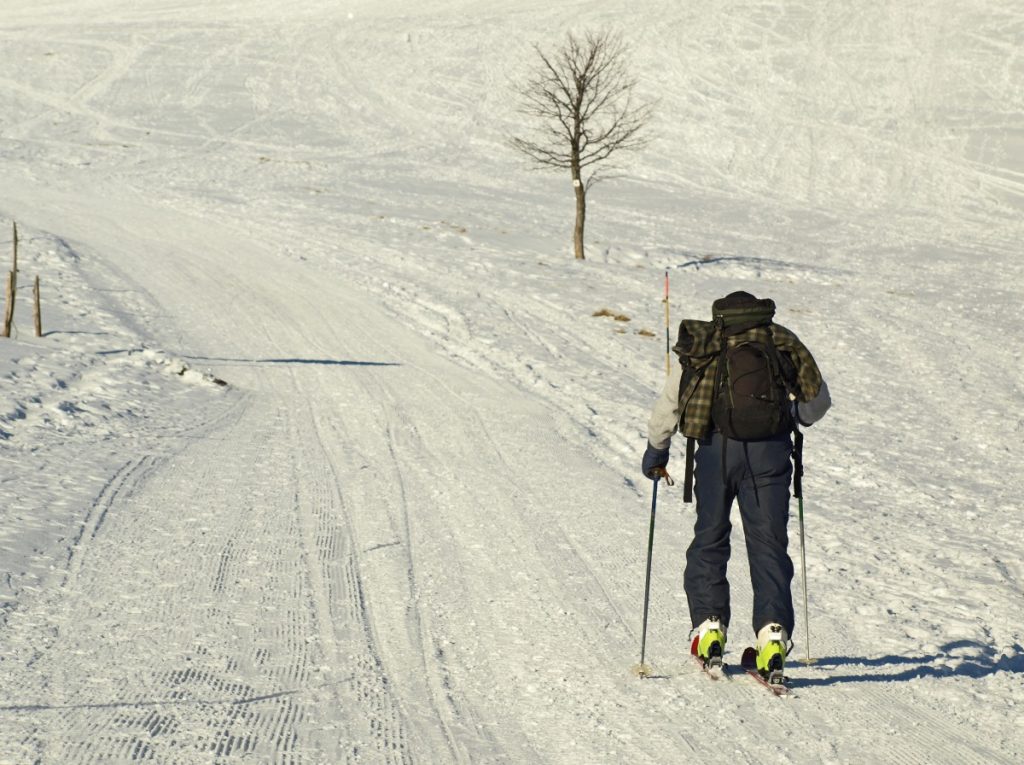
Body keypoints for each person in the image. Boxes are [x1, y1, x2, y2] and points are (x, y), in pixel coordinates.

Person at [641, 290, 830, 680]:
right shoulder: (781, 341)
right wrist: (791, 413)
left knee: (710, 537)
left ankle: (709, 629)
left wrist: (656, 451)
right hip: (771, 454)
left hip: (714, 452)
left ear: (721, 316)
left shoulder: (705, 343)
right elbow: (818, 403)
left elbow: (670, 404)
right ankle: (772, 636)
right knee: (768, 544)